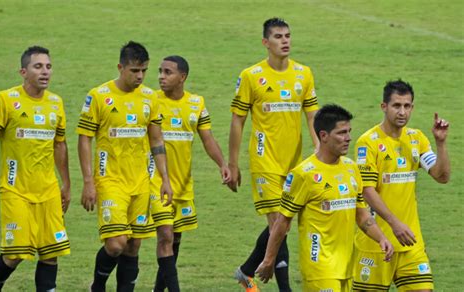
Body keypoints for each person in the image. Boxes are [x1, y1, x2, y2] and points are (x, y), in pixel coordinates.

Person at [255, 104, 394, 291]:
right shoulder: (303, 174)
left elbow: (361, 214)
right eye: (342, 133)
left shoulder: (351, 169)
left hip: (346, 267)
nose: (348, 138)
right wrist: (269, 260)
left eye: (349, 131)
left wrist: (381, 238)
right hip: (319, 268)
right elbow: (282, 222)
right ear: (323, 136)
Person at [228, 17, 319, 291]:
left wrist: (317, 146)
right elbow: (237, 121)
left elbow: (312, 114)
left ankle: (245, 272)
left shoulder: (303, 73)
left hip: (295, 162)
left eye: (288, 35)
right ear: (266, 43)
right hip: (264, 161)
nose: (285, 41)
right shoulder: (251, 76)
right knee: (281, 223)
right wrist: (232, 163)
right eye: (278, 37)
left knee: (282, 225)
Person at [77, 41, 172, 292]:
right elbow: (84, 139)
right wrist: (88, 182)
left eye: (144, 71)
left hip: (141, 181)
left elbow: (157, 140)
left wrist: (165, 178)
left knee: (133, 246)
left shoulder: (150, 98)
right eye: (134, 71)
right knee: (116, 243)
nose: (140, 76)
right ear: (120, 67)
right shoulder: (99, 96)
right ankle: (97, 286)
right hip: (110, 181)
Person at [352, 80, 450, 291]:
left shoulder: (417, 139)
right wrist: (394, 224)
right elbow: (367, 191)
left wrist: (441, 143)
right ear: (384, 107)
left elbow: (441, 176)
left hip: (411, 242)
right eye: (396, 105)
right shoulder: (367, 143)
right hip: (376, 243)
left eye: (407, 106)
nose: (402, 112)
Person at [0, 46, 71, 291]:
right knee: (14, 255)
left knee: (50, 253)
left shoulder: (56, 102)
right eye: (38, 67)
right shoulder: (6, 99)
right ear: (23, 72)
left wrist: (66, 184)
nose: (45, 71)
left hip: (48, 192)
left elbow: (60, 145)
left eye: (48, 66)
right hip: (16, 190)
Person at [150, 55, 231, 292]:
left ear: (182, 77)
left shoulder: (196, 103)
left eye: (167, 72)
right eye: (160, 71)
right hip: (155, 180)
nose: (161, 77)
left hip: (183, 183)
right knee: (165, 236)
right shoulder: (151, 101)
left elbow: (207, 138)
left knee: (173, 242)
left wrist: (222, 164)